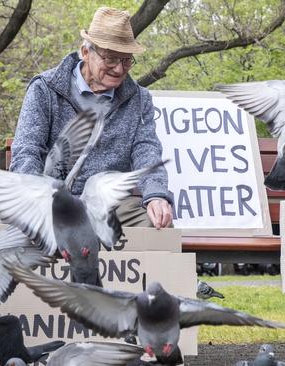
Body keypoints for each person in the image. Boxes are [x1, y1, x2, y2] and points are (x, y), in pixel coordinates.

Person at [10, 7, 173, 229]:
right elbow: (27, 150)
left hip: (113, 205)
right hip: (54, 200)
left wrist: (156, 195)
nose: (119, 69)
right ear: (86, 52)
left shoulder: (140, 99)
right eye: (111, 59)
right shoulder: (45, 89)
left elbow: (147, 150)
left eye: (126, 60)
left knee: (156, 227)